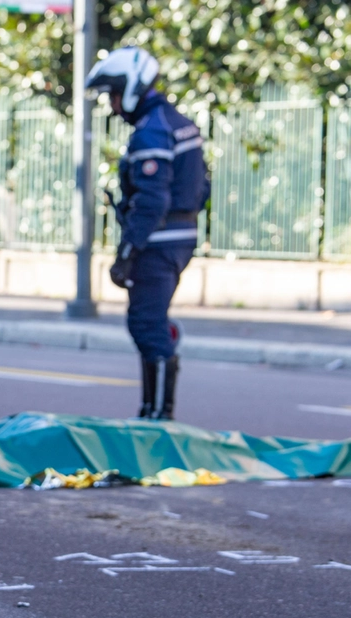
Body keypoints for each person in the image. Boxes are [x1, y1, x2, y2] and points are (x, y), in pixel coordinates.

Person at [86, 47, 210, 420]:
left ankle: (157, 416)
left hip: (158, 242)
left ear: (133, 87)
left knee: (146, 322)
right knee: (151, 320)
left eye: (115, 94)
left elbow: (152, 201)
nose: (113, 105)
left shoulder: (151, 132)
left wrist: (128, 250)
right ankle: (154, 408)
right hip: (180, 236)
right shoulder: (177, 122)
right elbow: (202, 189)